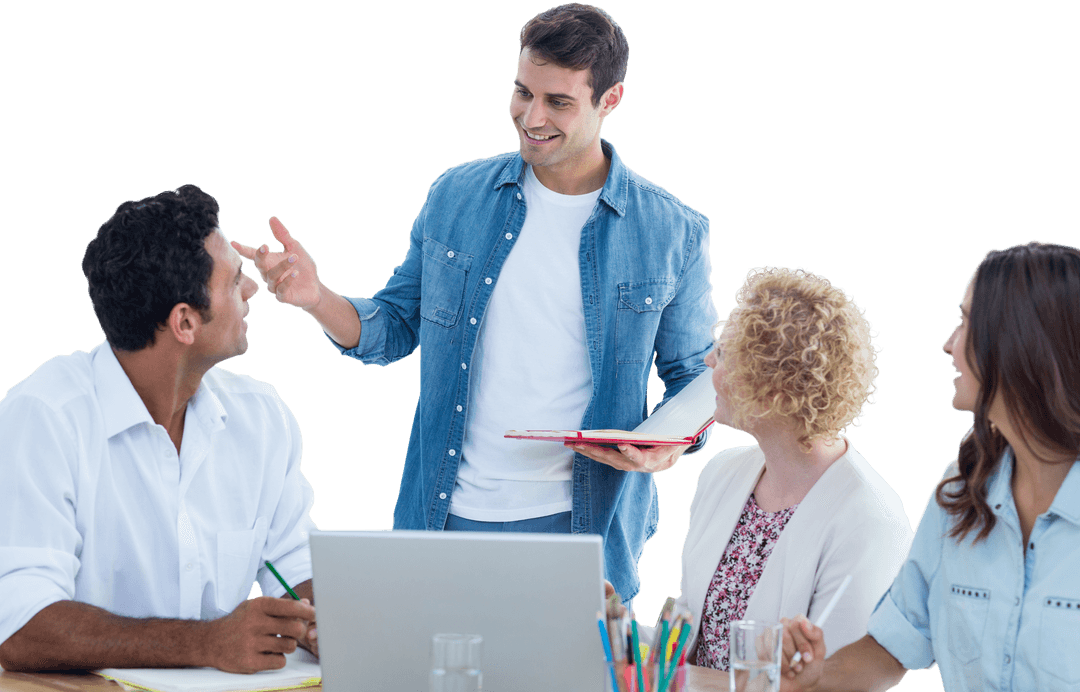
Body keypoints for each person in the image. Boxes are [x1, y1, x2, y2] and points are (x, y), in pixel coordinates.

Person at [232, 3, 717, 602]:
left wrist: (663, 451)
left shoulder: (672, 231)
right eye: (522, 92)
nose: (531, 117)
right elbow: (394, 326)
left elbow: (694, 379)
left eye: (558, 102)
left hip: (582, 529)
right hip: (444, 515)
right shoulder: (457, 195)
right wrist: (314, 297)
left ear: (609, 101)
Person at [0, 185, 319, 673]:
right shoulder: (44, 417)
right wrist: (206, 644)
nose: (252, 289)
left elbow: (297, 566)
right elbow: (18, 627)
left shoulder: (261, 417)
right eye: (235, 281)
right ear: (185, 322)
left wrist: (327, 618)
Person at [781, 240, 1080, 692]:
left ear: (1022, 341)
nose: (948, 345)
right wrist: (814, 675)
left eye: (965, 322)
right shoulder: (963, 489)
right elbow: (892, 645)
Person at [639, 266, 912, 672]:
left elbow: (828, 679)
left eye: (726, 353)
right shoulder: (722, 473)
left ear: (775, 386)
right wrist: (617, 628)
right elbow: (692, 637)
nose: (710, 358)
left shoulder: (869, 519)